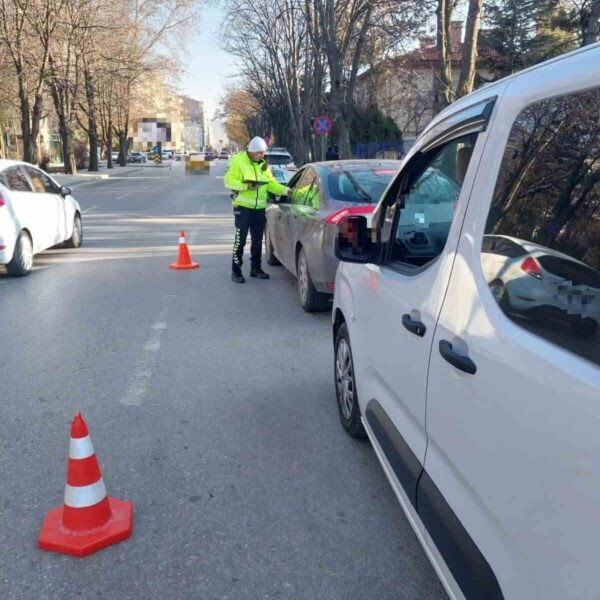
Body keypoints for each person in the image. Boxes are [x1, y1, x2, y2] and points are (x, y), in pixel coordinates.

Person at [224, 137, 291, 283]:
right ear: (252, 151)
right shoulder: (237, 161)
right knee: (239, 241)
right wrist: (246, 186)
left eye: (263, 153)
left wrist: (286, 191)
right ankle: (236, 271)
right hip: (242, 208)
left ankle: (255, 268)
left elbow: (271, 184)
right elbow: (229, 181)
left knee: (257, 241)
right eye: (259, 153)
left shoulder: (263, 165)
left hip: (259, 209)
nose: (262, 156)